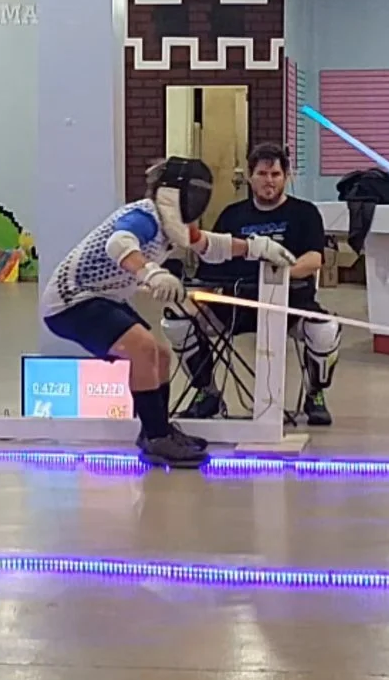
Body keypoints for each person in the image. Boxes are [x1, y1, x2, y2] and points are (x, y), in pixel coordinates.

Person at [41, 155, 295, 467]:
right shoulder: (144, 216)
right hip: (71, 300)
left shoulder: (172, 225)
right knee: (143, 349)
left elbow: (209, 245)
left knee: (160, 355)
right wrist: (151, 273)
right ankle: (157, 438)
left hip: (104, 297)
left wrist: (256, 247)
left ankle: (156, 430)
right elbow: (118, 244)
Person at [161, 143, 341, 426]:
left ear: (286, 176)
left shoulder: (305, 213)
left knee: (325, 330)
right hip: (235, 304)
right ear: (249, 176)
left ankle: (315, 394)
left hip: (289, 304)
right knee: (177, 323)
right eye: (262, 174)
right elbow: (211, 263)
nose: (269, 181)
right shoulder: (232, 215)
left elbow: (314, 259)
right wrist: (193, 302)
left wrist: (279, 275)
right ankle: (207, 393)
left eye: (275, 174)